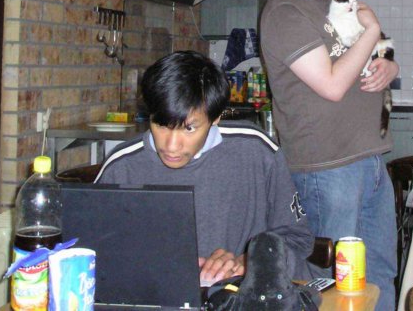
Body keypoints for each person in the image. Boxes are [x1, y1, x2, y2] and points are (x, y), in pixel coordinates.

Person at [259, 0, 399, 311]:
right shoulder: (284, 13)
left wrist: (389, 65)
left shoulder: (330, 4)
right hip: (327, 169)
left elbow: (377, 52)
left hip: (369, 162)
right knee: (330, 288)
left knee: (379, 275)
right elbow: (333, 84)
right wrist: (372, 29)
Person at [95, 50, 314, 284]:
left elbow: (297, 238)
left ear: (215, 117)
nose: (171, 146)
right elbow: (93, 251)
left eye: (189, 128)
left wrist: (252, 262)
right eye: (161, 125)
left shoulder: (256, 150)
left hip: (244, 294)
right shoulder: (121, 167)